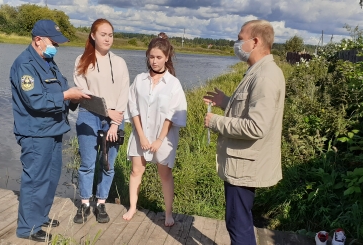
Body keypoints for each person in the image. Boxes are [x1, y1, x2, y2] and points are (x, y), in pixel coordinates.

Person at [203, 19, 285, 245]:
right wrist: (226, 102)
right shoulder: (258, 71)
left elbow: (256, 126)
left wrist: (216, 122)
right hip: (243, 162)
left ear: (255, 41)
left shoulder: (265, 76)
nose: (236, 43)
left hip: (244, 165)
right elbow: (248, 109)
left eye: (240, 39)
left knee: (238, 225)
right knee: (240, 220)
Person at [10, 19, 90, 242]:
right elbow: (35, 101)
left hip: (54, 129)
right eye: (53, 42)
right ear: (38, 40)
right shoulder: (24, 64)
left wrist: (77, 97)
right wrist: (67, 96)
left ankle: (40, 216)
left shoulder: (49, 61)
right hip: (35, 133)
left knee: (51, 177)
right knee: (35, 179)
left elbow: (62, 89)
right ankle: (28, 228)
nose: (57, 46)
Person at [122, 33, 187, 227]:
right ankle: (133, 206)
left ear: (167, 57)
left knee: (165, 174)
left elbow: (172, 114)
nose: (155, 61)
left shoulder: (173, 84)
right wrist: (141, 136)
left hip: (164, 137)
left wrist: (159, 139)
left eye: (159, 57)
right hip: (141, 133)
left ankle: (168, 213)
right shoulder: (140, 80)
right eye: (151, 57)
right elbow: (133, 107)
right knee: (136, 171)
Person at [72, 18, 130, 224]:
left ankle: (101, 202)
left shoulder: (120, 62)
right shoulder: (82, 60)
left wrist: (115, 122)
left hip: (115, 120)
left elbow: (124, 93)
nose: (107, 38)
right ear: (93, 36)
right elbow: (83, 94)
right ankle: (85, 203)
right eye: (103, 34)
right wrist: (107, 112)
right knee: (87, 164)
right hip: (89, 118)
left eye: (110, 35)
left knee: (107, 164)